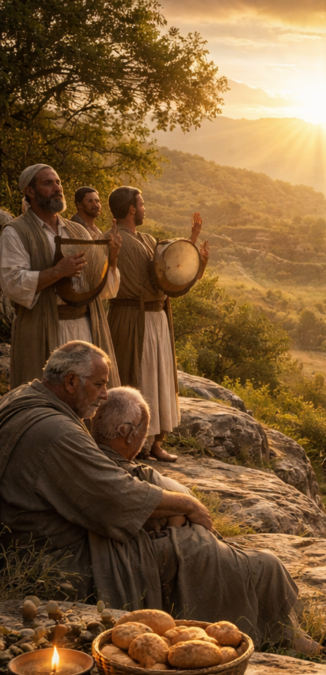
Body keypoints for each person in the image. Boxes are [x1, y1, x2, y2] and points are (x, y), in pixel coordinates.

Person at [0, 341, 316, 650]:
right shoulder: (56, 431)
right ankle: (273, 630)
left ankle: (278, 622)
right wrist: (188, 504)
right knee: (194, 548)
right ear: (70, 381)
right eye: (99, 385)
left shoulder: (23, 397)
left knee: (183, 537)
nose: (105, 395)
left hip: (33, 543)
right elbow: (117, 498)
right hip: (61, 560)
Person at [106, 186, 206, 462]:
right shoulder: (112, 239)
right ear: (131, 209)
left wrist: (193, 242)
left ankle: (155, 443)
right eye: (142, 203)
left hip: (157, 317)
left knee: (159, 377)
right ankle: (128, 442)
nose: (145, 208)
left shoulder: (149, 239)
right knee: (136, 375)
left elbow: (169, 271)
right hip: (130, 317)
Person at [0, 165, 122, 389]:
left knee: (87, 395)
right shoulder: (15, 231)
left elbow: (101, 289)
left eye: (58, 183)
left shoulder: (78, 231)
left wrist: (112, 260)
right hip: (44, 330)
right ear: (30, 191)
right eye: (48, 183)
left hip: (85, 328)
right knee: (48, 399)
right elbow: (13, 283)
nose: (57, 188)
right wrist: (58, 271)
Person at [91, 386, 189, 531]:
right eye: (144, 434)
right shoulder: (149, 480)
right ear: (129, 434)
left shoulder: (78, 458)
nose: (143, 441)